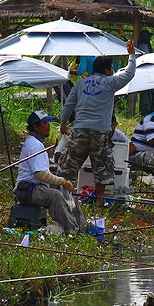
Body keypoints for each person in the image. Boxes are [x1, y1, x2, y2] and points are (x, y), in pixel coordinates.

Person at [59, 39, 137, 207]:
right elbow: (129, 73)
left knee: (69, 165)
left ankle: (63, 196)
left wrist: (63, 123)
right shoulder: (110, 82)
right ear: (108, 70)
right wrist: (131, 55)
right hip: (100, 133)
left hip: (79, 130)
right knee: (101, 166)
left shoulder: (80, 84)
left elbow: (69, 105)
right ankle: (100, 200)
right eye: (112, 68)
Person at [15, 111, 86, 234]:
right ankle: (72, 230)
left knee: (66, 191)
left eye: (48, 122)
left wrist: (62, 182)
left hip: (36, 187)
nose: (48, 125)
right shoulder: (34, 145)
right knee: (55, 195)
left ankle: (80, 224)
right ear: (35, 126)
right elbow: (40, 174)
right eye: (44, 123)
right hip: (28, 190)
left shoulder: (36, 142)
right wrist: (62, 181)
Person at [136, 29, 154, 116]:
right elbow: (147, 58)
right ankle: (145, 110)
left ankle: (146, 109)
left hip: (145, 73)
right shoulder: (144, 45)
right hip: (145, 73)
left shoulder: (142, 45)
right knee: (146, 94)